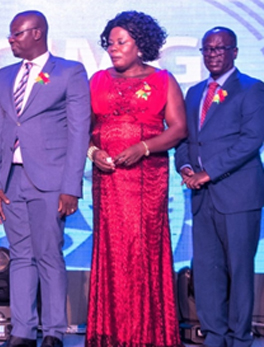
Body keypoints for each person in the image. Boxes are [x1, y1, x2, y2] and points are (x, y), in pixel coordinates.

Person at [0, 10, 90, 347]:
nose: (11, 40)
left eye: (17, 34)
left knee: (49, 254)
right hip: (11, 179)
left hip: (51, 179)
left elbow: (78, 132)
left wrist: (71, 187)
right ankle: (23, 331)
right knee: (21, 254)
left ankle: (54, 331)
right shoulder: (4, 75)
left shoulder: (70, 72)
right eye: (11, 34)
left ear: (38, 33)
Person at [84, 11, 186, 347]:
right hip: (109, 182)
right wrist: (92, 153)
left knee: (141, 253)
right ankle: (110, 334)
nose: (113, 48)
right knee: (112, 254)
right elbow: (81, 131)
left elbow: (179, 129)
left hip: (146, 182)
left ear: (140, 45)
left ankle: (147, 336)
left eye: (121, 42)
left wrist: (144, 147)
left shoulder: (162, 80)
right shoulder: (96, 80)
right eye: (110, 42)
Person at [175, 27, 264, 347]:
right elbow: (185, 139)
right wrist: (185, 166)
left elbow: (251, 140)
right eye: (207, 49)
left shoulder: (253, 89)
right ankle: (213, 335)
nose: (212, 54)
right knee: (207, 270)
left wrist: (208, 172)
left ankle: (240, 338)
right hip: (202, 197)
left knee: (239, 270)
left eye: (219, 48)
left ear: (235, 52)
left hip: (238, 194)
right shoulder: (195, 92)